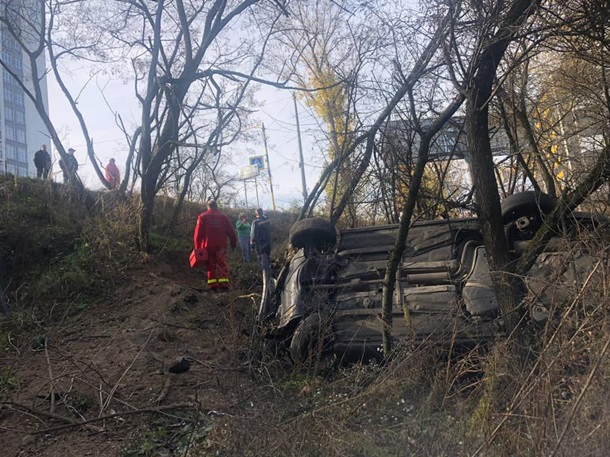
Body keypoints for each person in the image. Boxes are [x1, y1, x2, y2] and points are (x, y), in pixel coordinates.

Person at [193, 199, 237, 292]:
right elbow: (231, 231)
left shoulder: (202, 217)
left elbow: (198, 234)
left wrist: (197, 248)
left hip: (208, 246)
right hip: (221, 245)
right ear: (216, 206)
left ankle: (213, 286)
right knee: (222, 264)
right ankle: (224, 285)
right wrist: (233, 241)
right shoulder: (224, 217)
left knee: (210, 265)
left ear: (208, 207)